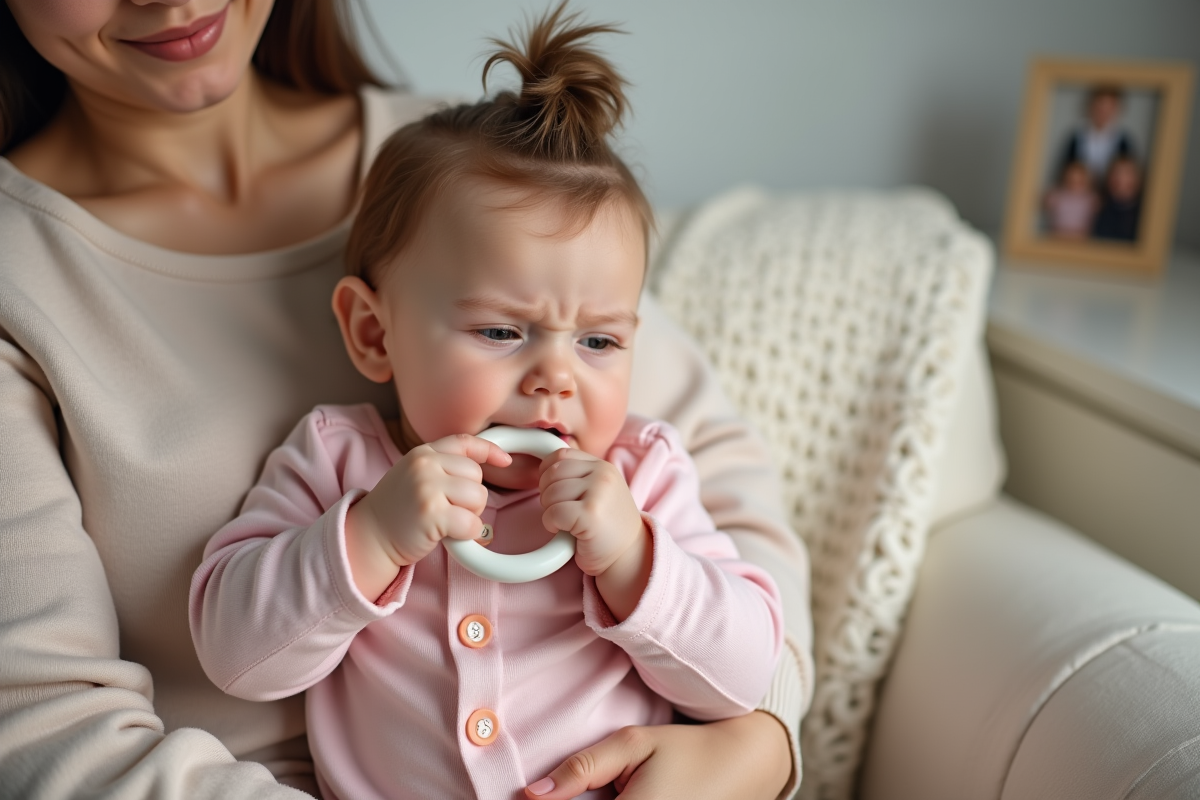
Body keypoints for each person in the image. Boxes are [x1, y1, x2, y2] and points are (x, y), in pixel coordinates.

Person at [0, 1, 812, 798]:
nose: (557, 378)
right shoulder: (337, 459)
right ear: (373, 333)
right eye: (501, 333)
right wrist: (367, 538)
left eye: (599, 344)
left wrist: (747, 738)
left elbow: (751, 653)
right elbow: (225, 657)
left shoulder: (637, 461)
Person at [1057, 84, 1135, 184]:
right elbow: (1066, 169)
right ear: (1091, 106)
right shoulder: (1077, 136)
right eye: (1100, 106)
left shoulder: (1124, 140)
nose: (1103, 112)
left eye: (1109, 107)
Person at [1042, 159, 1099, 240]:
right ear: (1065, 178)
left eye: (1079, 181)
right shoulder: (1058, 194)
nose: (1075, 185)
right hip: (1057, 235)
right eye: (1071, 180)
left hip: (1081, 238)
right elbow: (1045, 202)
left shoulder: (1091, 199)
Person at [1091, 155, 1144, 242]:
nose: (1121, 178)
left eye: (1127, 173)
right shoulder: (1100, 206)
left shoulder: (1143, 212)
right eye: (1116, 173)